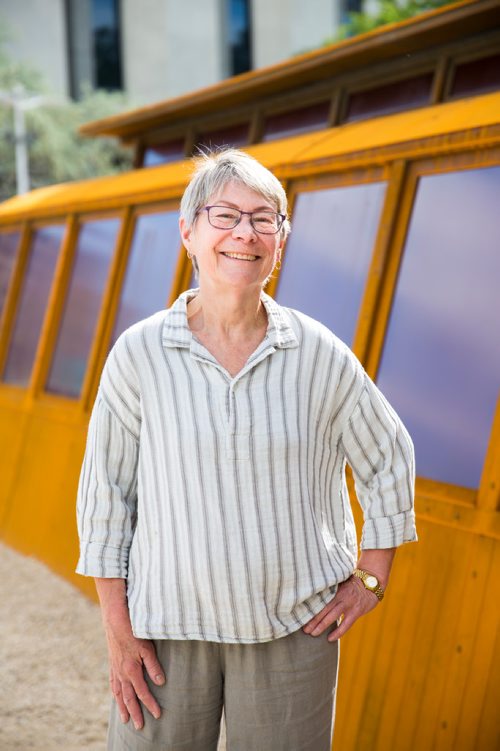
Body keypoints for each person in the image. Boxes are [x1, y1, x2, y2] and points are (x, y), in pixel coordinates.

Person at [76, 148, 416, 751]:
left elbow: (388, 456)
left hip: (293, 630)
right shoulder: (138, 354)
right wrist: (118, 633)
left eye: (265, 219)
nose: (245, 233)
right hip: (163, 634)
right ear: (188, 232)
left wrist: (372, 577)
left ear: (281, 242)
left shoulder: (319, 354)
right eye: (225, 215)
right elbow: (106, 499)